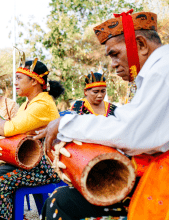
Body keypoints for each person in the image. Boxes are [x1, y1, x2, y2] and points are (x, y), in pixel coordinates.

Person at [36, 10, 169, 220]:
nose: (114, 64)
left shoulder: (163, 70)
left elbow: (131, 133)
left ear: (141, 44)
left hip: (161, 176)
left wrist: (66, 123)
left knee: (60, 201)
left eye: (115, 54)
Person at [0, 59, 65, 219]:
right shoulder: (28, 104)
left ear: (34, 81)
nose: (15, 82)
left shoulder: (42, 104)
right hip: (30, 159)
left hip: (45, 166)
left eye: (19, 78)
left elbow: (8, 129)